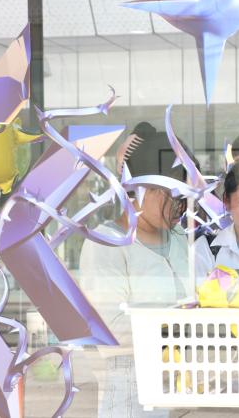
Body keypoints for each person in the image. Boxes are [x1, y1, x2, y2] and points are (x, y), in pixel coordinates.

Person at [78, 121, 194, 418]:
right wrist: (178, 320)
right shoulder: (107, 244)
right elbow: (109, 329)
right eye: (172, 195)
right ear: (141, 189)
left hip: (182, 382)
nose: (180, 207)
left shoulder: (180, 239)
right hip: (132, 389)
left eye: (184, 196)